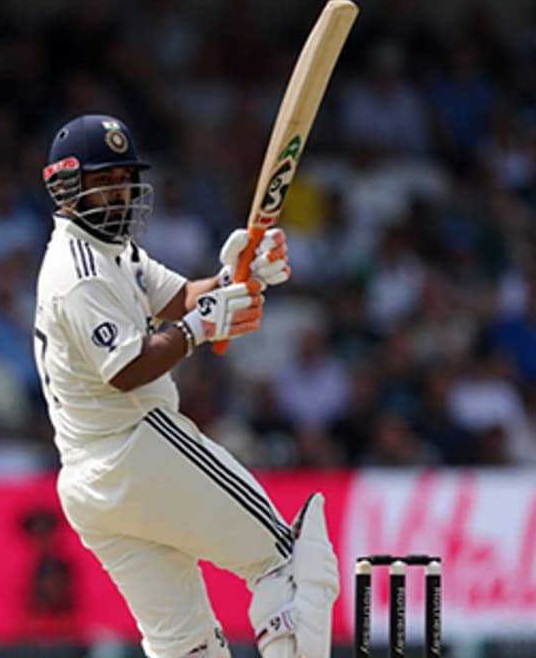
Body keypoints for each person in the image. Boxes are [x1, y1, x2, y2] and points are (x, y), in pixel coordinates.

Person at [33, 115, 339, 658]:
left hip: (91, 488)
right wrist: (201, 327)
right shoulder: (78, 271)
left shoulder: (112, 250)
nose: (120, 194)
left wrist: (239, 276)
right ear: (68, 188)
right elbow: (127, 367)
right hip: (134, 450)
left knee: (185, 645)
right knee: (288, 560)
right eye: (105, 182)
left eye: (125, 179)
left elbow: (181, 299)